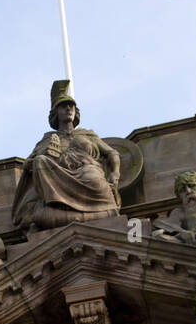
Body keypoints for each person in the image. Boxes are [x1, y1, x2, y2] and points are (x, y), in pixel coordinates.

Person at [12, 80, 120, 231]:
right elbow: (29, 164)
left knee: (94, 178)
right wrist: (38, 160)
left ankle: (62, 214)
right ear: (55, 112)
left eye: (71, 105)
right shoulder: (47, 140)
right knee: (40, 160)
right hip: (59, 179)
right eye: (63, 106)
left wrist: (115, 172)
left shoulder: (88, 135)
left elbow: (111, 152)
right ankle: (58, 204)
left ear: (76, 111)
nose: (69, 108)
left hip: (87, 174)